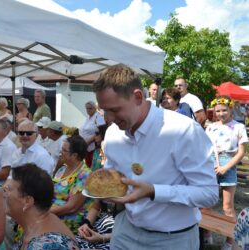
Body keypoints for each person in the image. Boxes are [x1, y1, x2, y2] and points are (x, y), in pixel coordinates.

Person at [93, 64, 219, 250]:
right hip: (125, 230)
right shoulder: (112, 133)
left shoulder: (182, 130)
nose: (109, 119)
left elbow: (208, 194)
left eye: (115, 110)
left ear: (137, 97)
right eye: (104, 110)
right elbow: (115, 178)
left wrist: (154, 191)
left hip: (173, 239)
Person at [205, 96, 248, 250]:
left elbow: (241, 152)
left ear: (231, 109)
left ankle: (231, 241)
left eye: (224, 110)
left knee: (227, 207)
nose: (221, 113)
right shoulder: (210, 127)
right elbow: (206, 148)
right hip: (211, 164)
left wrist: (226, 167)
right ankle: (207, 234)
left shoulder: (238, 127)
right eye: (218, 111)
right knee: (206, 202)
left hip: (228, 164)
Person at [4, 163, 79, 250]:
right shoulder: (36, 225)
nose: (4, 193)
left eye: (9, 189)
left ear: (27, 201)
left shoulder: (47, 245)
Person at [51, 135, 92, 234]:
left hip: (67, 221)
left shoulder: (85, 175)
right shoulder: (63, 168)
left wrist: (44, 212)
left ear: (74, 155)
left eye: (64, 151)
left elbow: (72, 207)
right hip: (52, 213)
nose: (60, 153)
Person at [79, 101, 105, 167]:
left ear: (95, 108)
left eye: (90, 108)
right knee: (88, 165)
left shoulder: (98, 117)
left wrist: (88, 141)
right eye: (87, 108)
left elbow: (101, 131)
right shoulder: (88, 117)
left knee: (93, 165)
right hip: (86, 147)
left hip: (93, 147)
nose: (88, 110)